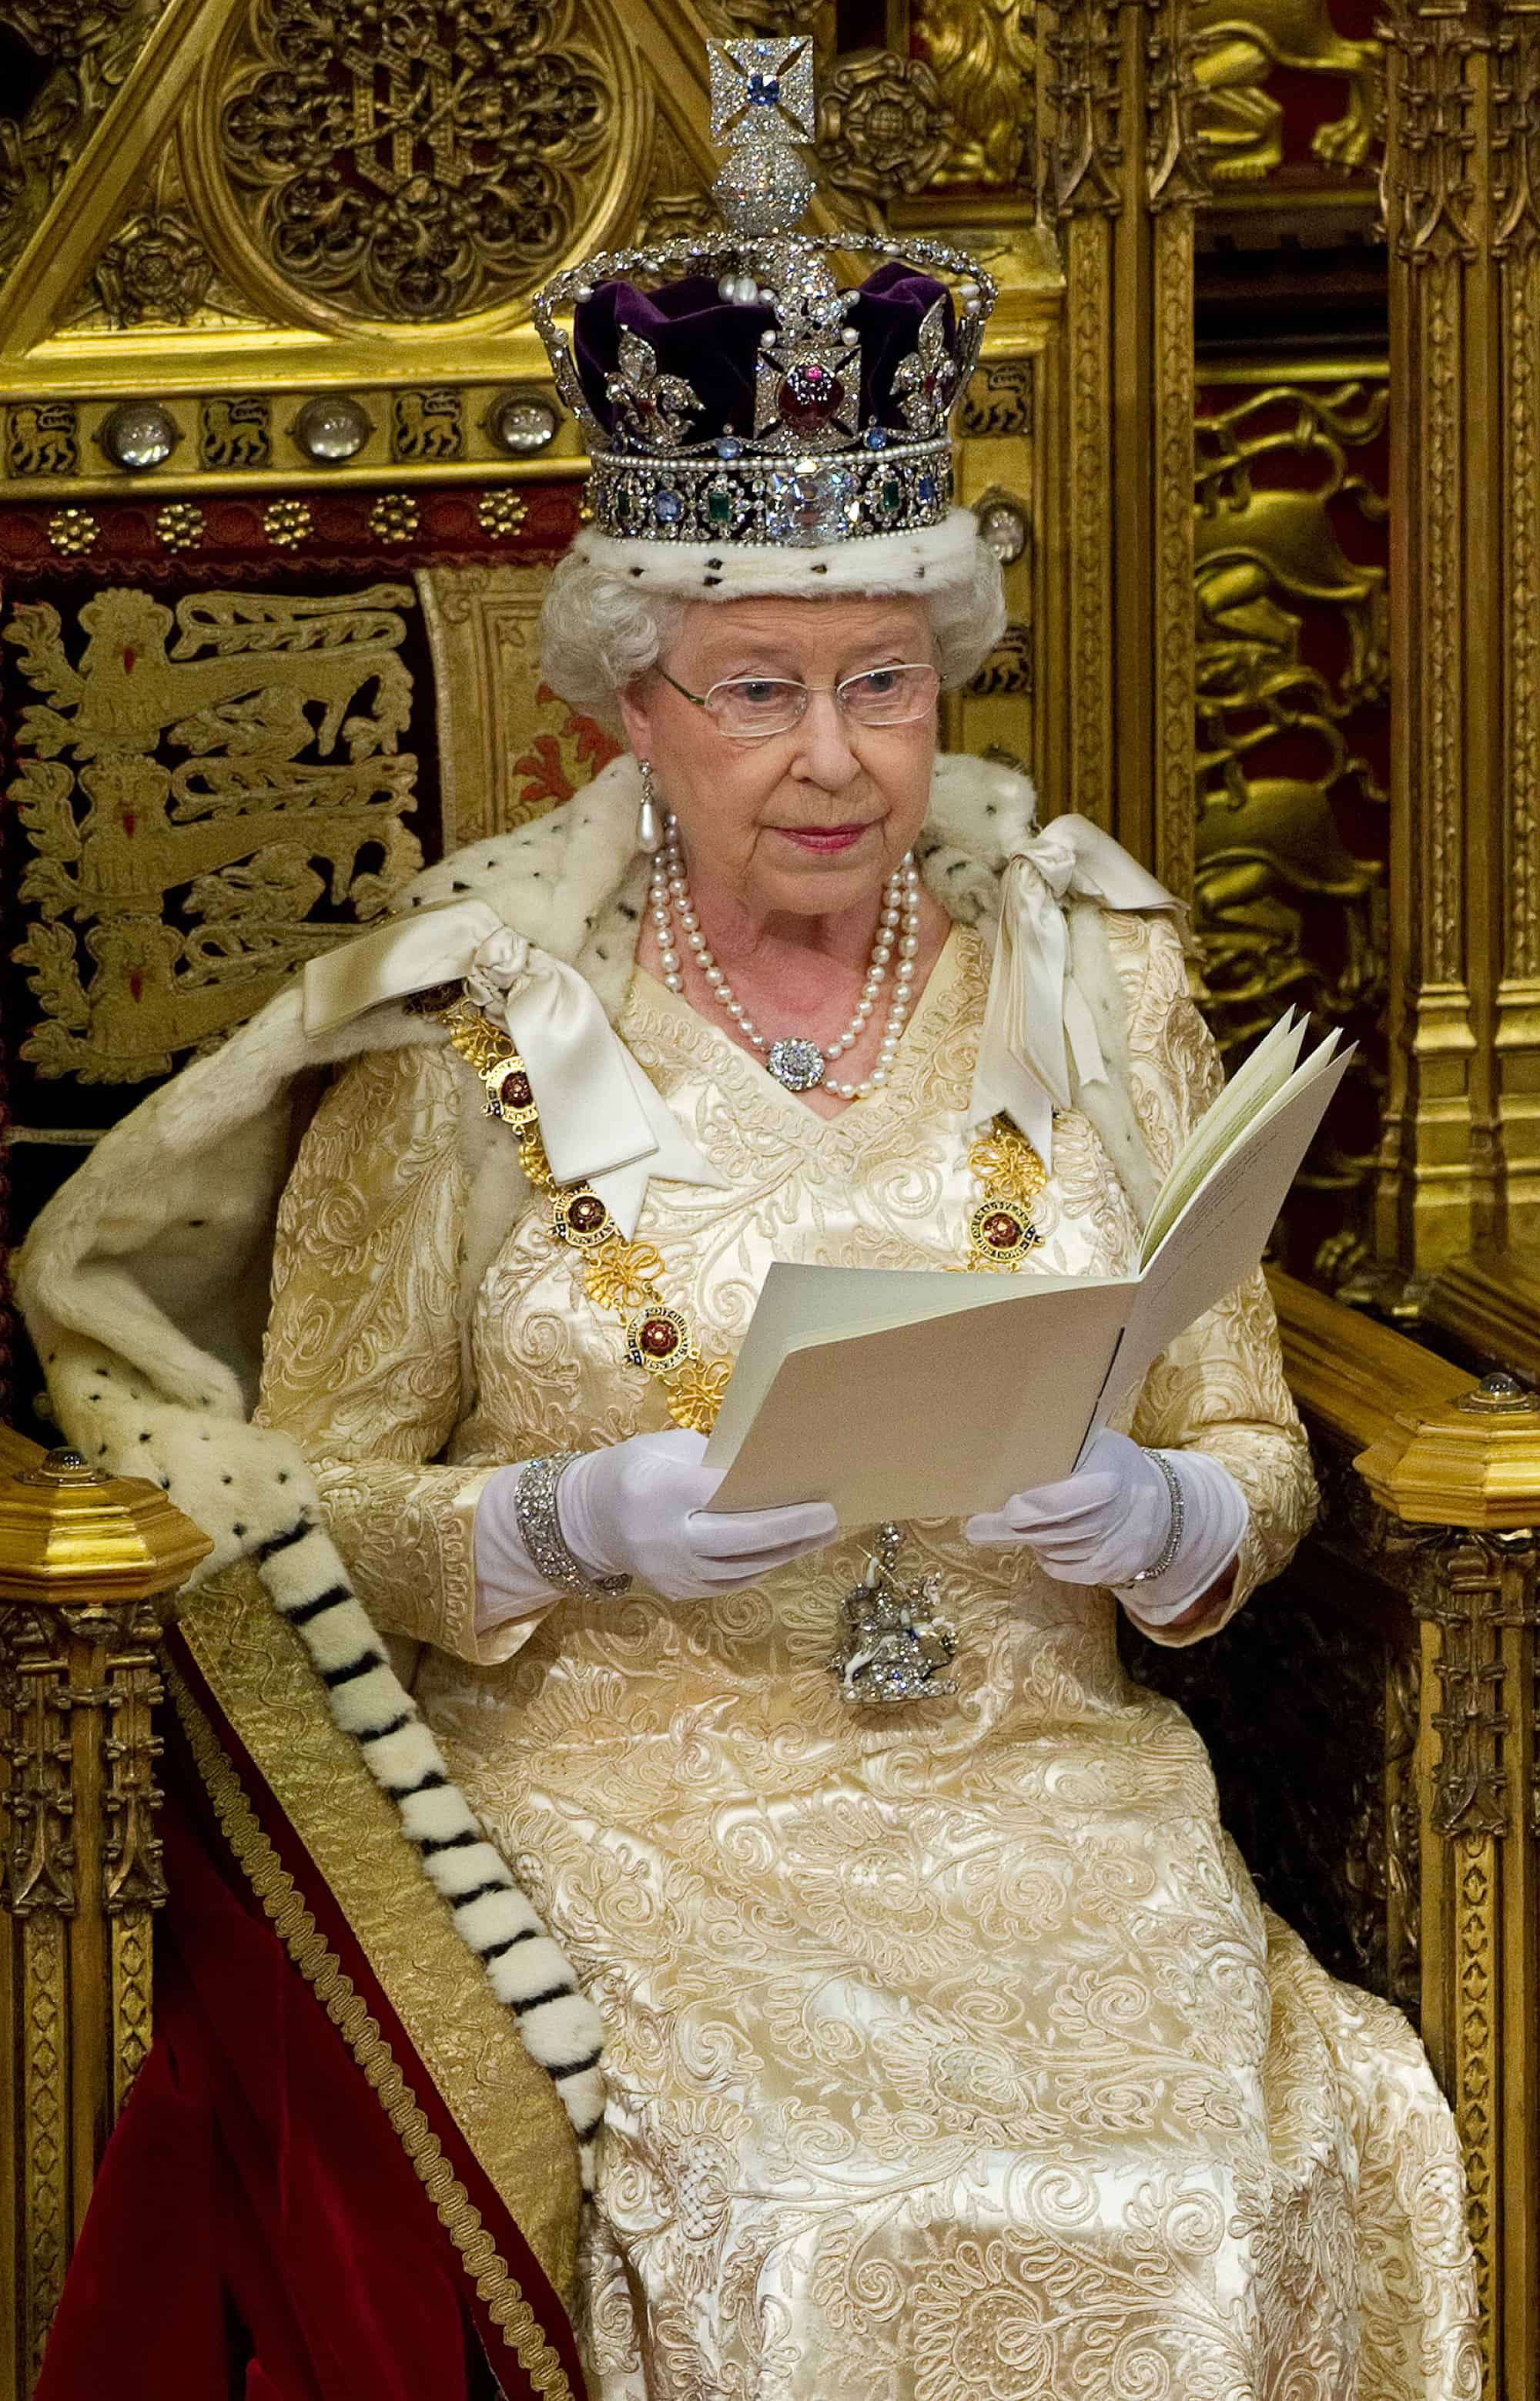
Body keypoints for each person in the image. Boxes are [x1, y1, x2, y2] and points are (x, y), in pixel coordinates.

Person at [19, 49, 1476, 2401]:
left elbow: (1256, 1437)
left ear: (946, 684)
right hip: (634, 1815)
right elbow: (299, 1514)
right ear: (630, 713)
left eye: (885, 686)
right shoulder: (464, 1033)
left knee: (1217, 2159)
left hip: (1043, 1793)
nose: (832, 757)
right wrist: (561, 1521)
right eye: (760, 692)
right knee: (805, 2208)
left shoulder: (1095, 982)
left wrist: (1174, 1503)